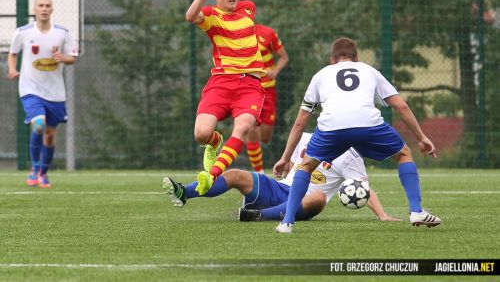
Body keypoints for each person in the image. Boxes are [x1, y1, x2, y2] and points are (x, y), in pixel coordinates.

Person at [273, 37, 441, 233]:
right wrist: (421, 137)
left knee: (306, 166)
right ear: (357, 58)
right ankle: (416, 211)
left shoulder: (320, 75)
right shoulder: (370, 71)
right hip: (367, 124)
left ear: (332, 59)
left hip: (331, 127)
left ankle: (287, 223)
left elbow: (300, 122)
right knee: (403, 153)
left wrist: (285, 158)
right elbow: (401, 106)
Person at [162, 132, 400, 223]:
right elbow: (294, 162)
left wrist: (383, 215)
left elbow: (363, 189)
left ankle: (255, 216)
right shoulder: (308, 138)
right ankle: (186, 192)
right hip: (278, 189)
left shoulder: (350, 156)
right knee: (235, 174)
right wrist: (284, 162)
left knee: (319, 198)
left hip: (304, 202)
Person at [185, 0, 266, 195]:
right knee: (201, 134)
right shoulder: (211, 16)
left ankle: (211, 176)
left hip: (249, 84)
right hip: (221, 84)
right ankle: (213, 142)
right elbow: (191, 16)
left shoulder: (248, 7)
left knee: (242, 128)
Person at [7, 0, 78, 188]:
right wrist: (12, 69)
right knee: (38, 124)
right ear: (35, 9)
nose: (44, 9)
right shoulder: (23, 32)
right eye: (41, 6)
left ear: (51, 10)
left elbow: (73, 58)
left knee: (50, 135)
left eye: (47, 6)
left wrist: (62, 57)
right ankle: (34, 168)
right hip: (30, 88)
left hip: (55, 92)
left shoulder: (63, 33)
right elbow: (12, 53)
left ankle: (43, 173)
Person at [246, 24, 288, 173]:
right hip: (248, 88)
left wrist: (275, 70)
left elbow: (284, 57)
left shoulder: (268, 32)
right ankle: (259, 173)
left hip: (268, 89)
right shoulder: (234, 34)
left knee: (265, 137)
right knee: (250, 127)